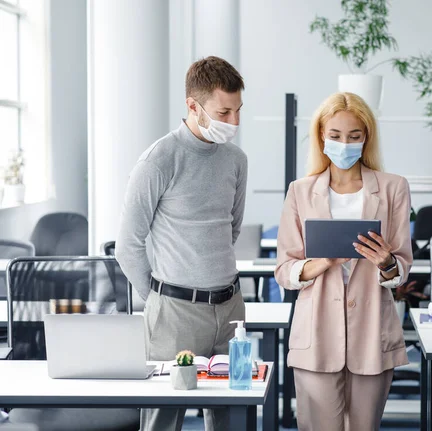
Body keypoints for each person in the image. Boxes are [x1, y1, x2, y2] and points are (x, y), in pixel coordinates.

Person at [116, 56, 248, 431]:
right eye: (224, 111)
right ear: (193, 106)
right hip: (174, 311)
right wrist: (162, 296)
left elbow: (230, 230)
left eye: (238, 110)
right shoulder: (159, 160)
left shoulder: (237, 160)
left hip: (230, 307)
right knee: (163, 419)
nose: (234, 122)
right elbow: (128, 245)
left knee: (230, 416)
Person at [274, 92, 413, 431]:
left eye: (354, 136)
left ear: (366, 138)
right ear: (321, 136)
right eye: (335, 135)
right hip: (317, 332)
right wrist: (319, 263)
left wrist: (386, 262)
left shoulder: (393, 188)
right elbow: (284, 270)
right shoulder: (300, 191)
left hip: (371, 332)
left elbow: (402, 266)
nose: (344, 144)